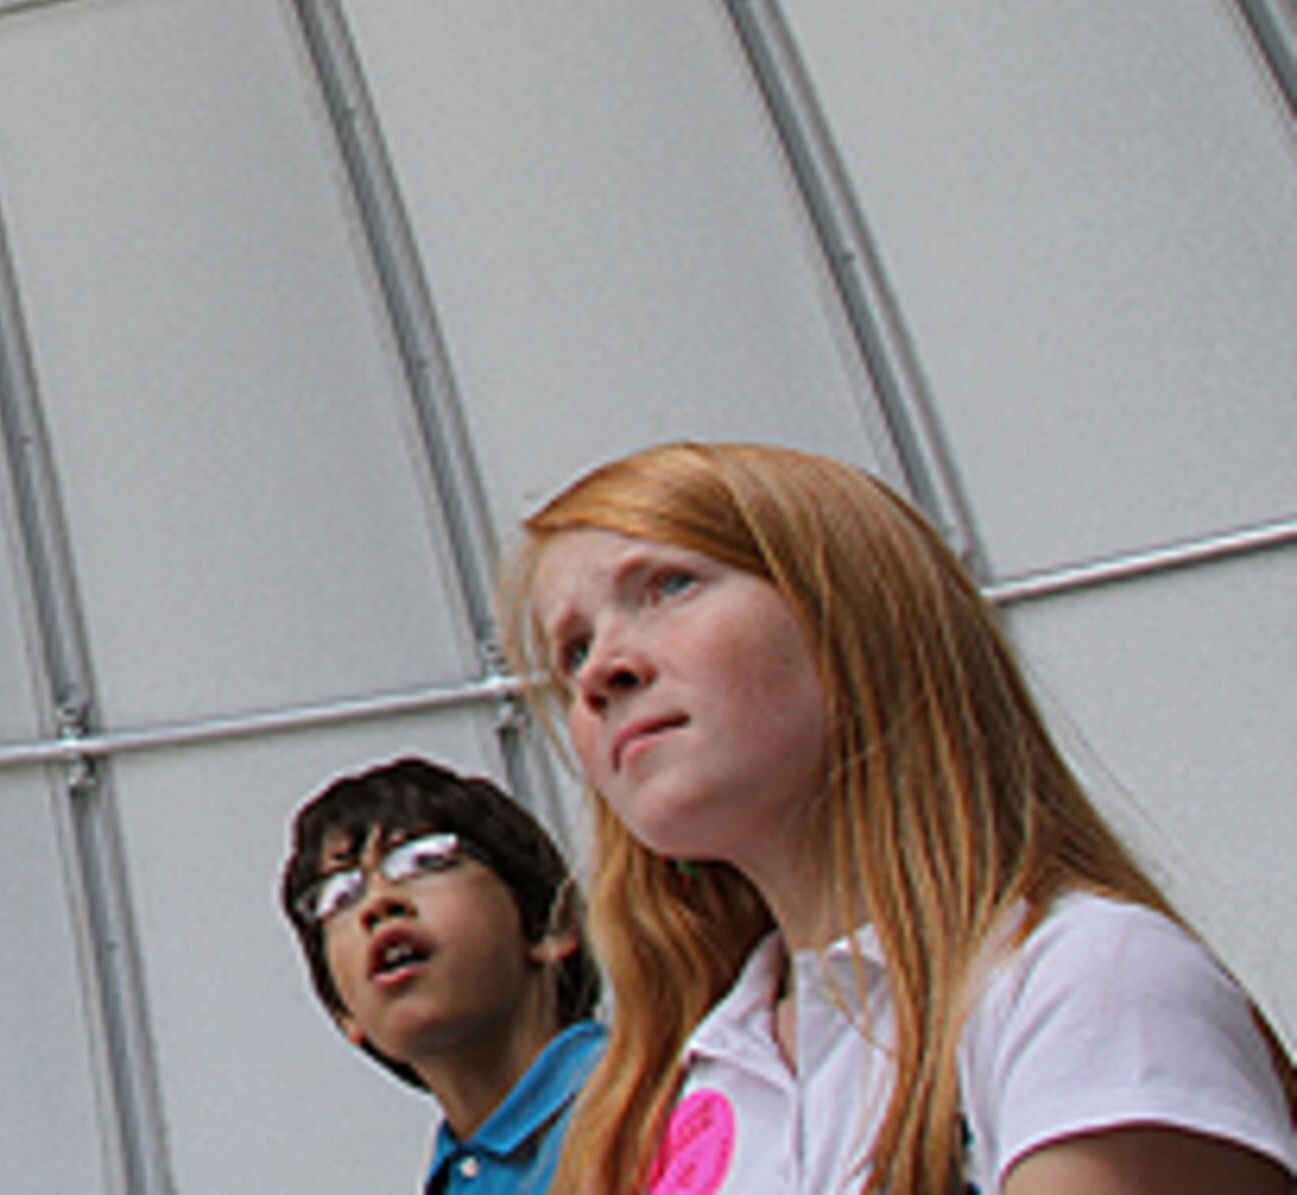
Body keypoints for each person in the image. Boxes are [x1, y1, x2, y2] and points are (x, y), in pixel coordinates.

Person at [517, 440, 1297, 1195]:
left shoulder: (1083, 981)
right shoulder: (663, 1095)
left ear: (863, 615)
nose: (601, 674)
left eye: (669, 586)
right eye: (573, 649)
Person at [284, 756, 604, 1194]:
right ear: (344, 1013)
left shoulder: (664, 1097)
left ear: (550, 923)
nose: (378, 904)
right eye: (339, 894)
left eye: (423, 860)